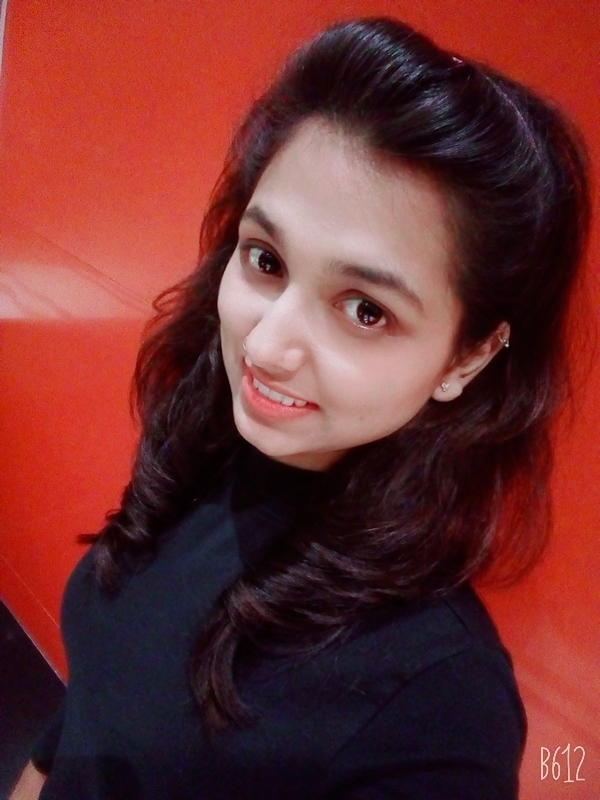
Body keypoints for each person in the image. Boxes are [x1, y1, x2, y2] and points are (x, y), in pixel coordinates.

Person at [11, 16, 590, 800]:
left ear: (468, 357)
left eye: (365, 310)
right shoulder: (213, 451)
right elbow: (93, 705)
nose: (268, 344)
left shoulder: (439, 715)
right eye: (267, 260)